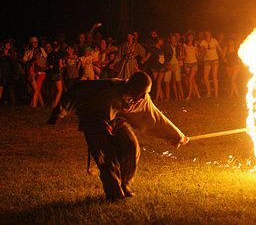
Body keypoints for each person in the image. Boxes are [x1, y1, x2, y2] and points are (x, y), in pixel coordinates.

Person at [47, 71, 189, 202]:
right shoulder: (110, 86)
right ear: (130, 85)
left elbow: (156, 117)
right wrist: (61, 111)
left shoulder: (142, 97)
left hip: (116, 119)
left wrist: (177, 135)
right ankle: (114, 194)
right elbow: (80, 89)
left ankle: (125, 184)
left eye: (144, 93)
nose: (141, 97)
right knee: (107, 158)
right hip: (94, 121)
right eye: (139, 92)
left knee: (131, 146)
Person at [23, 37, 47, 108]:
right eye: (34, 42)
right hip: (31, 72)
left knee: (37, 89)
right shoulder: (28, 51)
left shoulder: (40, 49)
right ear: (31, 43)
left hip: (39, 71)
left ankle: (37, 104)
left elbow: (45, 57)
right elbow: (24, 60)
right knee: (36, 89)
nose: (35, 43)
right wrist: (29, 58)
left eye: (36, 42)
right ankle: (34, 105)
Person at [200, 31, 224, 98]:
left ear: (210, 34)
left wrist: (223, 55)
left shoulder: (214, 40)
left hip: (214, 60)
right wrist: (202, 50)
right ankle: (209, 93)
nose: (207, 35)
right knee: (205, 77)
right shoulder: (203, 42)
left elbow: (219, 48)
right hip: (207, 60)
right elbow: (201, 50)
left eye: (208, 34)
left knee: (214, 77)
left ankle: (216, 94)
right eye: (206, 34)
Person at [164, 34, 183, 101]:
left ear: (176, 39)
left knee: (178, 81)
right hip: (169, 64)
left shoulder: (178, 46)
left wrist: (180, 57)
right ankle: (168, 98)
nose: (173, 40)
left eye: (174, 39)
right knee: (166, 81)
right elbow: (165, 55)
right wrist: (167, 63)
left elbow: (180, 55)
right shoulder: (167, 46)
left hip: (176, 64)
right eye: (171, 39)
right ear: (170, 40)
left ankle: (182, 97)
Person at [46, 41, 65, 108]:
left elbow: (47, 64)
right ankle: (55, 104)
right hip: (56, 73)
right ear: (58, 47)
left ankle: (52, 102)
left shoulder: (49, 54)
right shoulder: (59, 54)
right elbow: (60, 65)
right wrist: (65, 65)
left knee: (53, 89)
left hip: (50, 73)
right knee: (60, 90)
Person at [183, 32, 200, 100]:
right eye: (189, 36)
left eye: (192, 37)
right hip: (187, 63)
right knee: (193, 80)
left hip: (194, 63)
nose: (190, 38)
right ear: (187, 37)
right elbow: (183, 54)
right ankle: (198, 94)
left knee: (190, 79)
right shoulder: (184, 45)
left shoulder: (195, 45)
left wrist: (200, 51)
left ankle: (189, 96)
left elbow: (197, 54)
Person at [0, 40, 18, 105]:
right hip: (2, 72)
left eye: (9, 45)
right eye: (7, 44)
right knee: (1, 87)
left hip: (9, 72)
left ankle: (13, 103)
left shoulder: (11, 54)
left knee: (10, 88)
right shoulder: (1, 54)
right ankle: (3, 101)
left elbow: (14, 64)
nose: (9, 45)